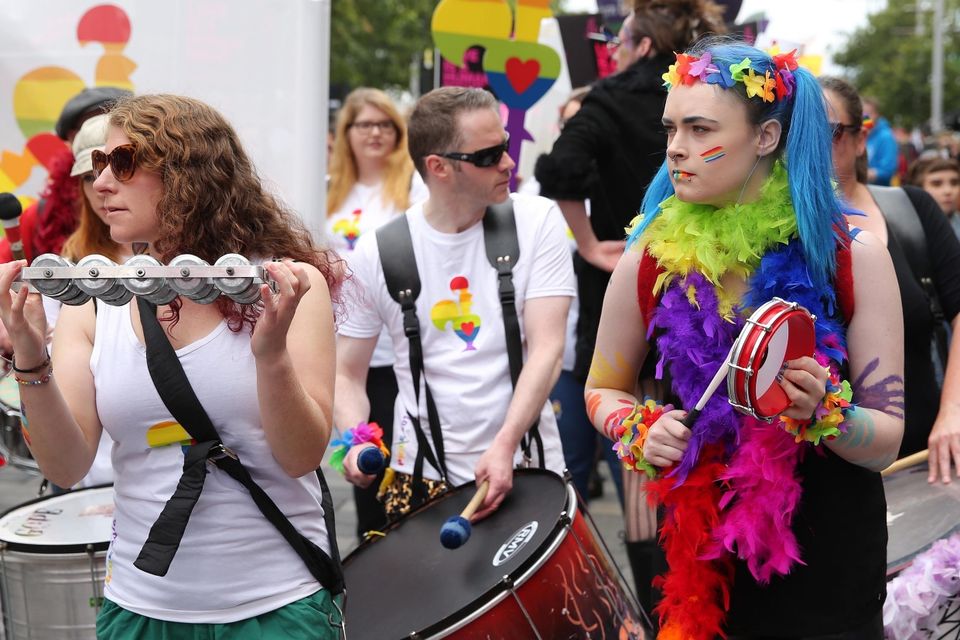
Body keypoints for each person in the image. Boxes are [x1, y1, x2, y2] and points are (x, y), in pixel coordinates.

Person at [587, 39, 905, 638]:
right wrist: (637, 429)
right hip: (701, 561)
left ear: (765, 138)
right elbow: (602, 389)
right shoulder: (651, 259)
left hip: (826, 561)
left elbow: (886, 441)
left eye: (700, 128)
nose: (676, 148)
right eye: (670, 128)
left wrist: (825, 413)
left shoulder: (851, 260)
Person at [0, 94, 345, 638]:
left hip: (276, 605)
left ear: (188, 174)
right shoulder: (92, 297)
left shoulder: (285, 285)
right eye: (96, 167)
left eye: (123, 163)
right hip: (141, 607)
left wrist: (270, 355)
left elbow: (301, 455)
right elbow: (66, 467)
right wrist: (28, 354)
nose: (101, 184)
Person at [534, 0, 726, 614]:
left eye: (620, 43)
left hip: (634, 290)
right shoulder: (719, 95)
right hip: (720, 292)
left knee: (643, 447)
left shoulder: (613, 98)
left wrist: (590, 245)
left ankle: (656, 605)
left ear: (643, 46)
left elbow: (560, 168)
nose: (679, 148)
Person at [335, 86, 574, 522]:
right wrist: (356, 441)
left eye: (504, 146)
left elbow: (547, 349)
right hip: (419, 480)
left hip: (527, 465)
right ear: (438, 167)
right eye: (487, 155)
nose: (507, 162)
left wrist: (504, 444)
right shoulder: (376, 253)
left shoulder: (538, 220)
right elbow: (346, 373)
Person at [821, 77, 960, 483]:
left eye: (829, 133)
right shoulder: (769, 235)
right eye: (798, 132)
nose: (810, 145)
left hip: (925, 458)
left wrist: (952, 413)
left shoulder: (911, 209)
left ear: (860, 139)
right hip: (821, 483)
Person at [325, 87, 427, 538]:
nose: (376, 133)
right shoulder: (328, 192)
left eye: (386, 124)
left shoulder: (414, 186)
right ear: (345, 134)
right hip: (346, 349)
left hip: (401, 346)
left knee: (408, 474)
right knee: (366, 468)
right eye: (364, 124)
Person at [907, 156, 960, 232]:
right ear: (918, 189)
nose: (948, 191)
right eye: (936, 184)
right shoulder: (902, 231)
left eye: (954, 183)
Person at [862, 96, 900, 185]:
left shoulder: (886, 137)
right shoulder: (864, 134)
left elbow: (888, 170)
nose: (864, 117)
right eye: (862, 113)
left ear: (876, 114)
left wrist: (860, 174)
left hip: (879, 192)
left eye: (868, 113)